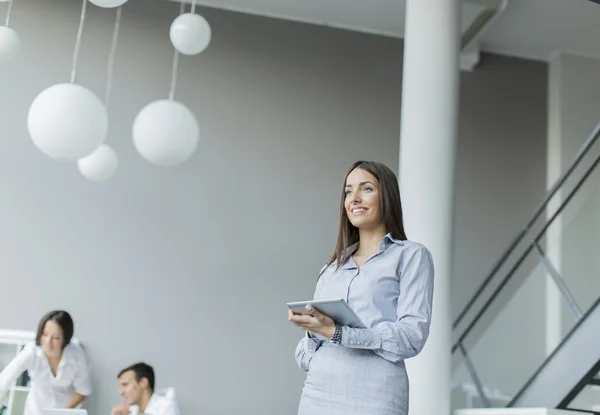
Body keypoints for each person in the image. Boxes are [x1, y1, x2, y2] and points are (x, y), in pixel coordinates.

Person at [288, 160, 435, 415]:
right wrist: (313, 331)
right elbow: (305, 358)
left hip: (375, 396)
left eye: (366, 188)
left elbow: (412, 337)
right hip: (317, 395)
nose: (354, 198)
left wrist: (339, 333)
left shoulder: (412, 256)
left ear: (386, 197)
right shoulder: (331, 269)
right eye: (348, 191)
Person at [0, 310, 92, 415]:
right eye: (45, 334)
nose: (48, 342)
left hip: (66, 410)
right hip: (35, 410)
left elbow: (83, 391)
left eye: (56, 337)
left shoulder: (76, 355)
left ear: (65, 339)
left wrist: (61, 412)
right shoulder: (32, 351)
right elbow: (5, 379)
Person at [111, 362, 179, 415]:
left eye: (125, 385)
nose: (121, 392)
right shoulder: (131, 411)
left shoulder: (165, 406)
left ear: (143, 382)